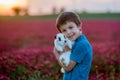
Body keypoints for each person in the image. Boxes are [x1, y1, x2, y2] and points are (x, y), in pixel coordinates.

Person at [53, 11, 93, 80]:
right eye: (64, 30)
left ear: (79, 26)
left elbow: (68, 68)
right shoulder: (74, 43)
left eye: (71, 27)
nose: (68, 32)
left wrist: (57, 55)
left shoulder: (81, 45)